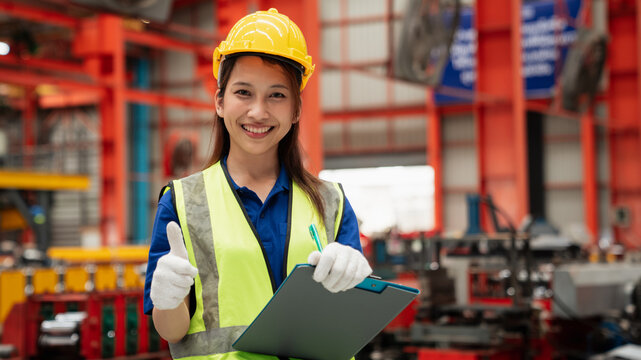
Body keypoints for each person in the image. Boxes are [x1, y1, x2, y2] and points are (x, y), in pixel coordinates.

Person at [144, 8, 373, 359]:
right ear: (220, 102)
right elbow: (172, 331)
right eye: (243, 92)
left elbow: (347, 321)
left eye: (277, 95)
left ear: (296, 110)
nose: (258, 112)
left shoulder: (331, 202)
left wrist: (356, 279)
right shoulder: (182, 202)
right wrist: (168, 297)